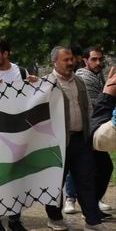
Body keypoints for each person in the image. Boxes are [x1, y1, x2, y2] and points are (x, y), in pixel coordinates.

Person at [44, 46, 105, 230]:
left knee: (86, 180)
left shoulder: (79, 81)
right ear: (55, 62)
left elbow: (89, 110)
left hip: (81, 141)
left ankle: (92, 221)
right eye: (66, 60)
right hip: (57, 143)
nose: (71, 63)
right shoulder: (46, 84)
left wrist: (92, 135)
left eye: (71, 59)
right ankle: (54, 218)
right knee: (55, 183)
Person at [69, 46, 112, 215]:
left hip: (93, 129)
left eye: (100, 59)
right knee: (89, 171)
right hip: (87, 132)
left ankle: (92, 207)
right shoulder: (84, 77)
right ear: (85, 60)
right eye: (94, 59)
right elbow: (98, 105)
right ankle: (78, 203)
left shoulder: (98, 76)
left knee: (101, 169)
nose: (98, 62)